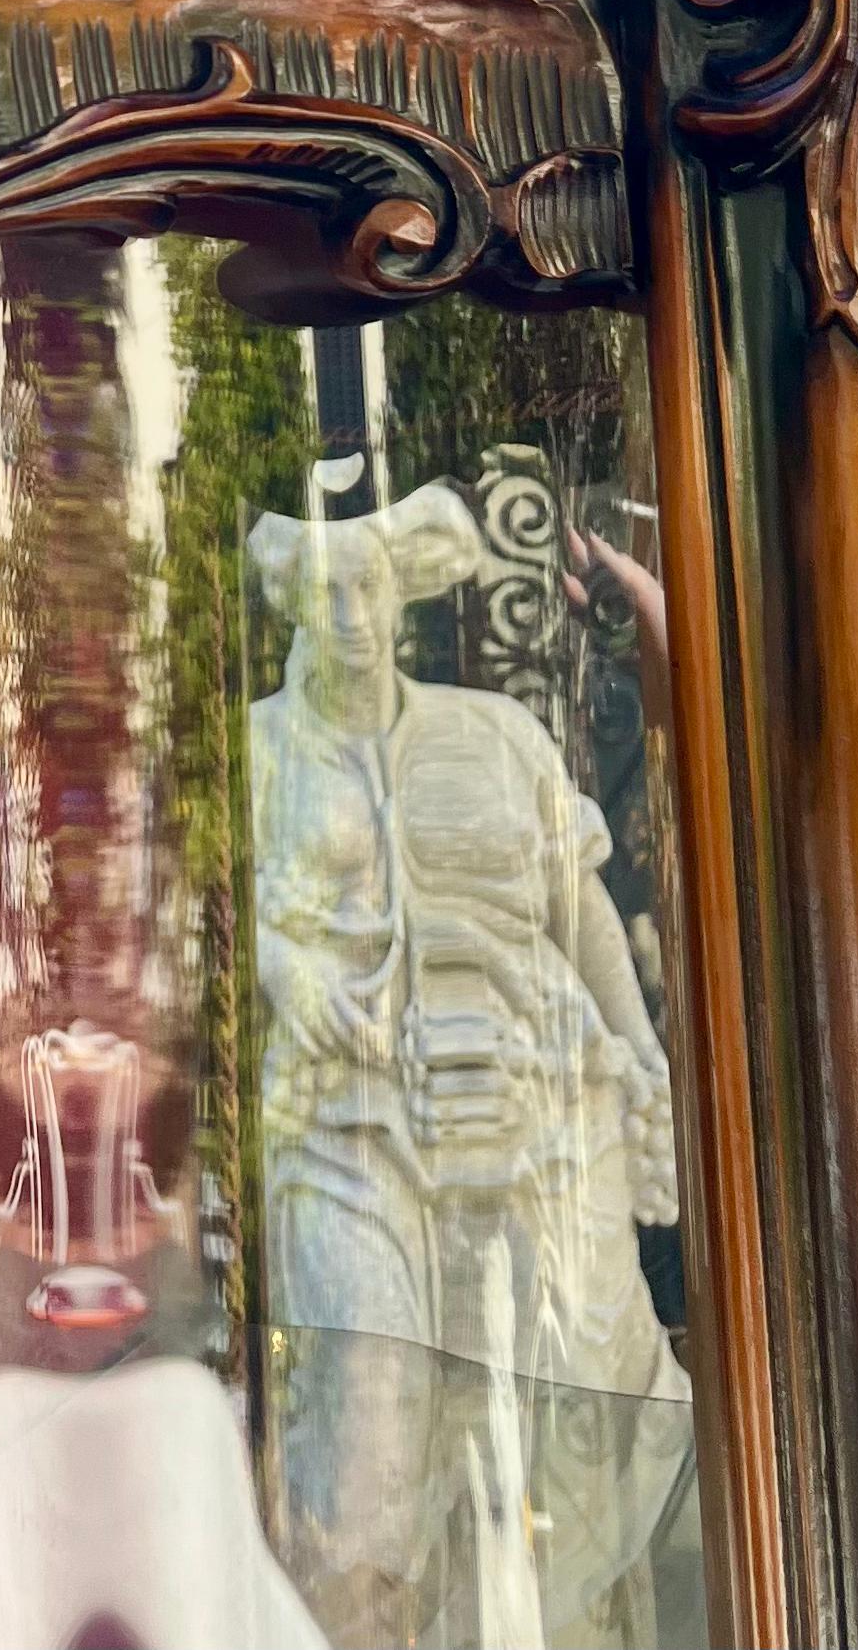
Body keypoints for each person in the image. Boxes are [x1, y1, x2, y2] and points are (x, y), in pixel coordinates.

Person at [249, 484, 687, 1644]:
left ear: (403, 590)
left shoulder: (495, 734)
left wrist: (643, 1063)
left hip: (535, 1105)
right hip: (347, 1121)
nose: (351, 608)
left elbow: (577, 903)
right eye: (328, 584)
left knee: (541, 1425)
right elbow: (185, 915)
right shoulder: (251, 756)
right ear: (293, 597)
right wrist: (280, 967)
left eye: (372, 579)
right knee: (367, 1431)